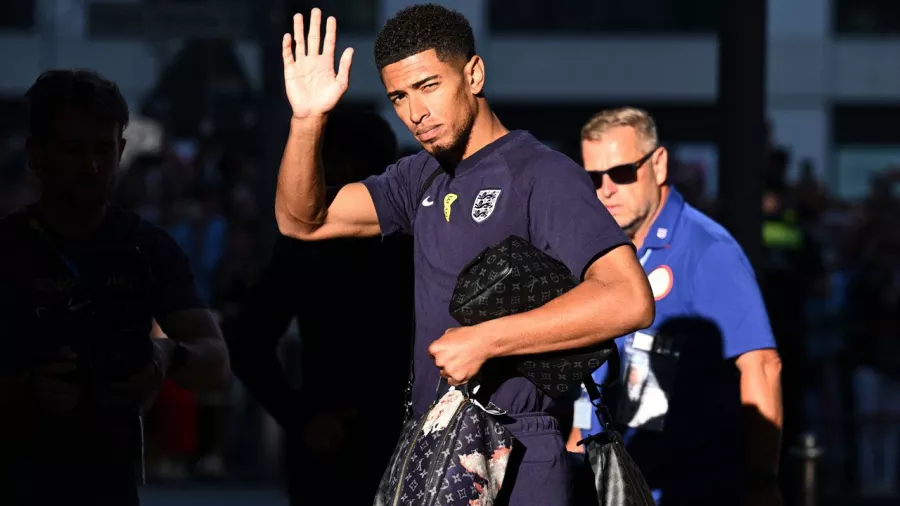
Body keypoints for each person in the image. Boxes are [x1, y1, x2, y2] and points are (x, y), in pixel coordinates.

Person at [273, 5, 655, 505]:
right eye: (399, 97)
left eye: (429, 86)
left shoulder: (542, 173)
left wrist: (487, 340)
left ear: (473, 74)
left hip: (520, 446)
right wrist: (307, 119)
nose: (415, 113)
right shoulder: (418, 176)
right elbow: (303, 220)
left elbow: (629, 299)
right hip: (434, 442)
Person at [0, 69, 230, 505]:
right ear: (36, 153)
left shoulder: (146, 247)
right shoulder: (8, 250)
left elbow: (215, 362)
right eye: (73, 150)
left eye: (103, 150)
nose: (91, 166)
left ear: (121, 149)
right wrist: (25, 392)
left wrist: (166, 355)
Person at [566, 107, 783, 506]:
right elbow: (592, 378)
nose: (607, 188)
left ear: (659, 164)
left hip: (689, 485)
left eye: (622, 172)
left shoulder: (706, 250)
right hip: (607, 482)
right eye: (593, 177)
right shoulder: (600, 253)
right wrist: (576, 451)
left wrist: (762, 482)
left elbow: (762, 365)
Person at [229, 109, 414, 505]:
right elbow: (246, 341)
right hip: (379, 439)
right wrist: (301, 419)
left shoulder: (309, 241)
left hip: (336, 441)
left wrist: (300, 419)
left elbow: (247, 340)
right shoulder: (418, 234)